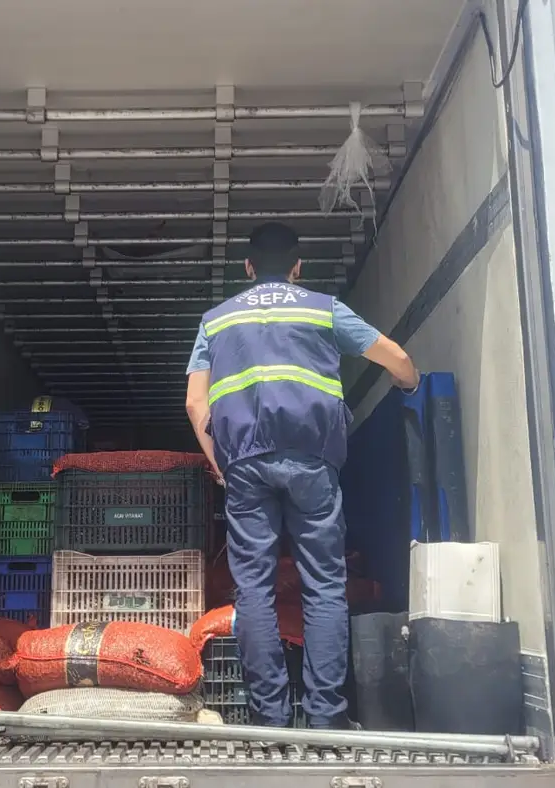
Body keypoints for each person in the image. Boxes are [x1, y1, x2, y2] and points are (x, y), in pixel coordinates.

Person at [184, 222, 417, 730]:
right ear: (297, 268)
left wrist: (218, 460)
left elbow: (194, 402)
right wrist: (409, 385)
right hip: (312, 461)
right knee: (324, 585)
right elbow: (396, 358)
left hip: (244, 462)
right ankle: (326, 718)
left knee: (254, 590)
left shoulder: (216, 320)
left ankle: (268, 719)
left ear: (248, 268)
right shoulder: (322, 308)